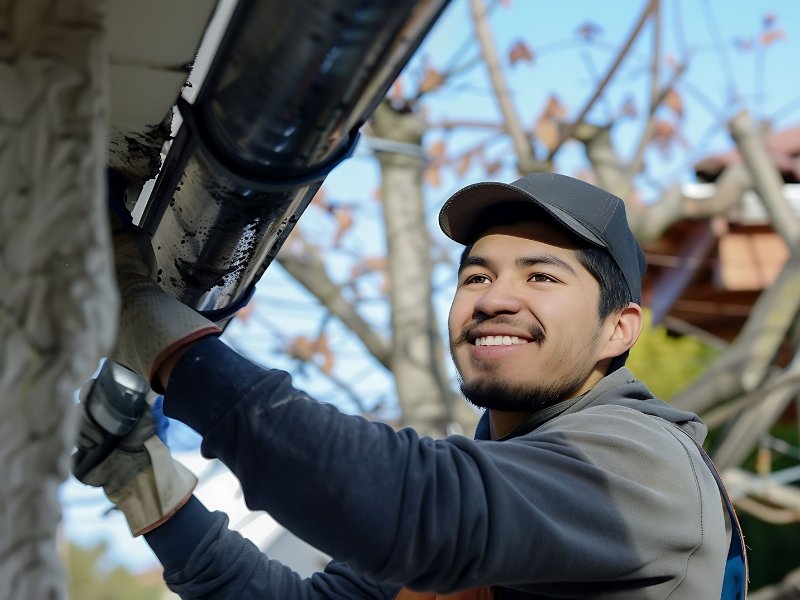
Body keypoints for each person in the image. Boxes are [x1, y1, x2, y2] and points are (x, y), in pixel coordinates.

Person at [74, 172, 745, 599]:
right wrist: (143, 483)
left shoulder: (645, 465)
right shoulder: (492, 492)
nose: (493, 300)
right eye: (476, 277)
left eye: (541, 276)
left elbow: (406, 507)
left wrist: (141, 313)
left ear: (618, 330)